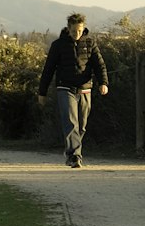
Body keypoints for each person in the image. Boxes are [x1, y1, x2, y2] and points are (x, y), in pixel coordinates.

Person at [37, 13, 109, 168]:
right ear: (68, 29)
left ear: (83, 29)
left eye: (80, 31)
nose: (77, 34)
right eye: (74, 31)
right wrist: (42, 92)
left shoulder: (90, 43)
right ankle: (75, 156)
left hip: (85, 88)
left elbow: (99, 65)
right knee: (71, 123)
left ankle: (71, 150)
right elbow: (48, 69)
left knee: (82, 125)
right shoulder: (58, 45)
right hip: (65, 88)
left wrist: (103, 83)